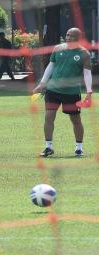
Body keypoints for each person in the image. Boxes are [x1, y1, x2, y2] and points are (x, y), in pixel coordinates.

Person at [33, 27, 92, 157]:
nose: (68, 38)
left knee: (75, 120)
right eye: (67, 35)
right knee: (48, 117)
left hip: (71, 92)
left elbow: (87, 74)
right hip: (53, 90)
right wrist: (42, 83)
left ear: (78, 38)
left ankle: (79, 148)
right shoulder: (58, 48)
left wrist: (89, 92)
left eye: (72, 36)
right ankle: (48, 147)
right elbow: (51, 66)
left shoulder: (84, 54)